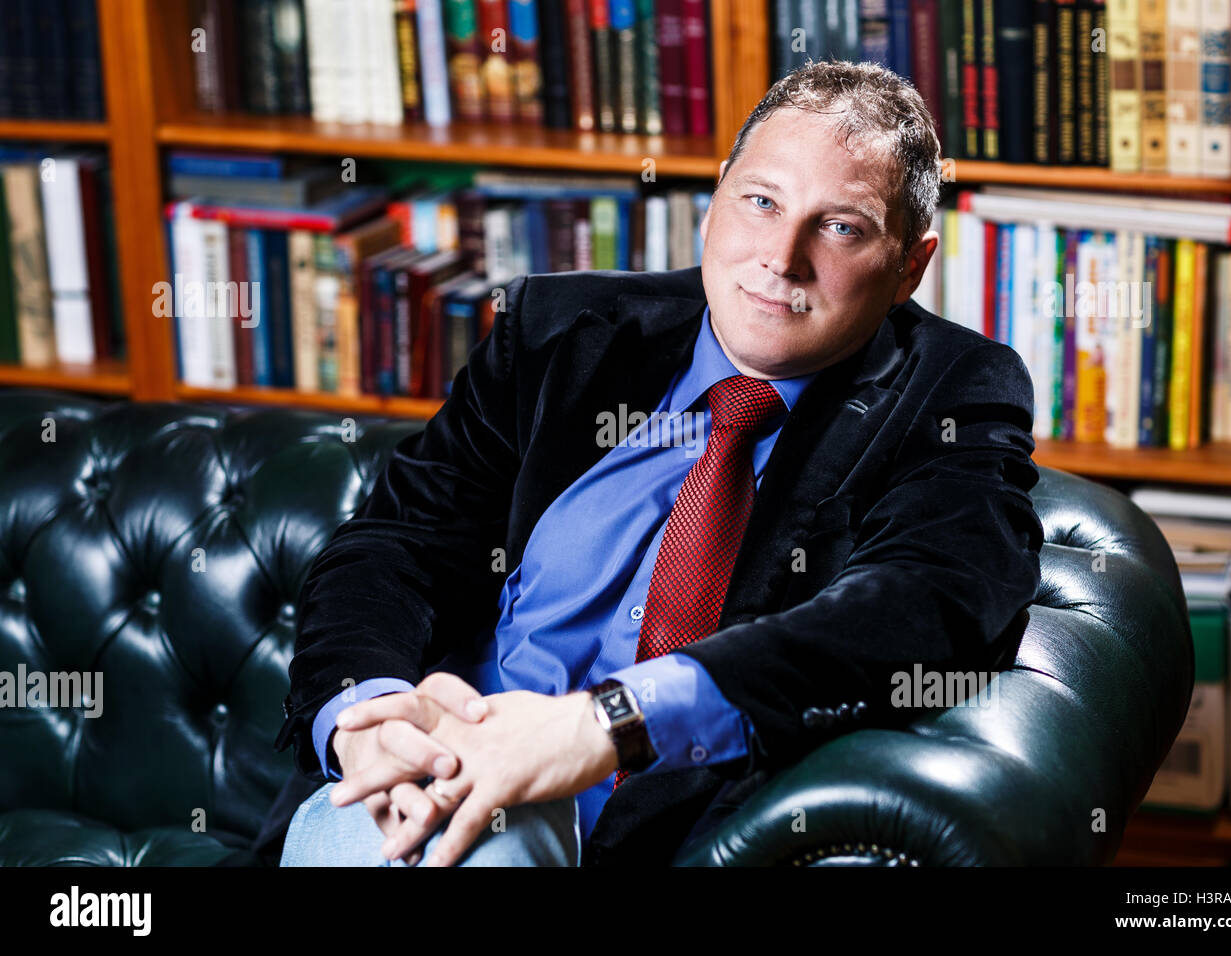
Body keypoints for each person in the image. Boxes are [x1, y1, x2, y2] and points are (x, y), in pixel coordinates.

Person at [270, 58, 1044, 867]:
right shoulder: (562, 331)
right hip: (429, 764)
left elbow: (931, 600)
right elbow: (394, 542)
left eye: (841, 226)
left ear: (909, 267)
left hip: (646, 824)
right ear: (716, 199)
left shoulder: (951, 390)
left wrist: (607, 724)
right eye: (762, 201)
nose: (782, 257)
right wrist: (371, 717)